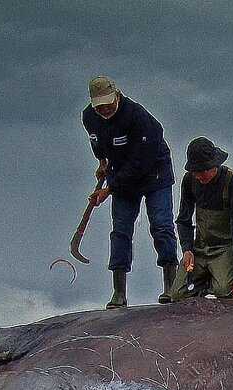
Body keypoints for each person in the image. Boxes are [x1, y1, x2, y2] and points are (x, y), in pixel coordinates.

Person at [82, 76, 180, 308]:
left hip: (153, 172)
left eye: (108, 103)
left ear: (116, 95)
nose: (104, 109)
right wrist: (102, 162)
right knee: (120, 231)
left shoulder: (138, 118)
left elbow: (140, 163)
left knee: (161, 225)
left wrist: (110, 189)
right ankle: (119, 293)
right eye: (99, 105)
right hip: (120, 173)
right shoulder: (89, 117)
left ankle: (171, 287)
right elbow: (97, 141)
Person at [173, 136, 233, 301]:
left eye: (204, 170)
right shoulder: (189, 181)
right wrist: (187, 248)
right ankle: (210, 278)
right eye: (195, 171)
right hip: (201, 245)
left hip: (227, 245)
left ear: (215, 164)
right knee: (177, 294)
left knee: (225, 291)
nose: (199, 176)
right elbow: (183, 220)